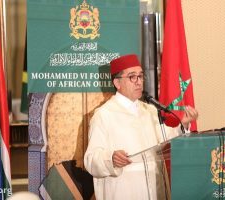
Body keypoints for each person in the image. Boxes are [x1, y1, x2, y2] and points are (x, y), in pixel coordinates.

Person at [84, 54, 198, 200]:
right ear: (117, 83)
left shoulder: (149, 110)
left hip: (155, 190)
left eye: (140, 76)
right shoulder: (104, 115)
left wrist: (183, 124)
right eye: (132, 77)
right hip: (123, 192)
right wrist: (111, 159)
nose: (138, 82)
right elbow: (91, 159)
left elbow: (164, 140)